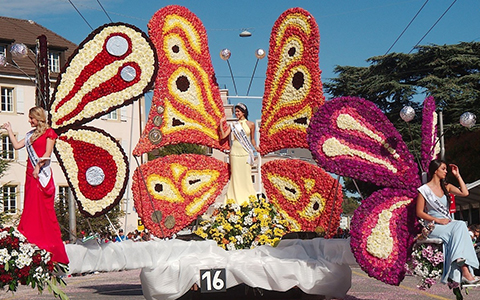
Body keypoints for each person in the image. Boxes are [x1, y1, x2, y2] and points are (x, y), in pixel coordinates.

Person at [1, 107, 69, 264]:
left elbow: (47, 154)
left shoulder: (49, 133)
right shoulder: (30, 135)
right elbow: (17, 146)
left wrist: (38, 167)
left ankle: (52, 247)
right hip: (31, 175)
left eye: (31, 118)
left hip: (41, 175)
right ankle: (32, 240)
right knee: (30, 208)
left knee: (45, 211)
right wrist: (10, 130)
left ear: (38, 118)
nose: (29, 121)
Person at [416, 159, 478, 284]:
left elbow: (465, 193)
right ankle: (465, 272)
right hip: (433, 226)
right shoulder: (424, 190)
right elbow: (419, 212)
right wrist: (437, 219)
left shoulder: (446, 187)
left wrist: (458, 175)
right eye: (443, 169)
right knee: (459, 226)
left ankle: (462, 267)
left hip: (448, 224)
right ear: (435, 171)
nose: (446, 172)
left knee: (460, 224)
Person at [219, 103, 258, 205]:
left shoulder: (251, 124)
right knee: (235, 176)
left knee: (246, 176)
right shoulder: (233, 125)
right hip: (235, 153)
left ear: (243, 112)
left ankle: (248, 200)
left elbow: (252, 139)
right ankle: (233, 201)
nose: (236, 113)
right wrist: (221, 124)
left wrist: (256, 147)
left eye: (238, 111)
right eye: (235, 112)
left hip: (245, 152)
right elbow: (223, 136)